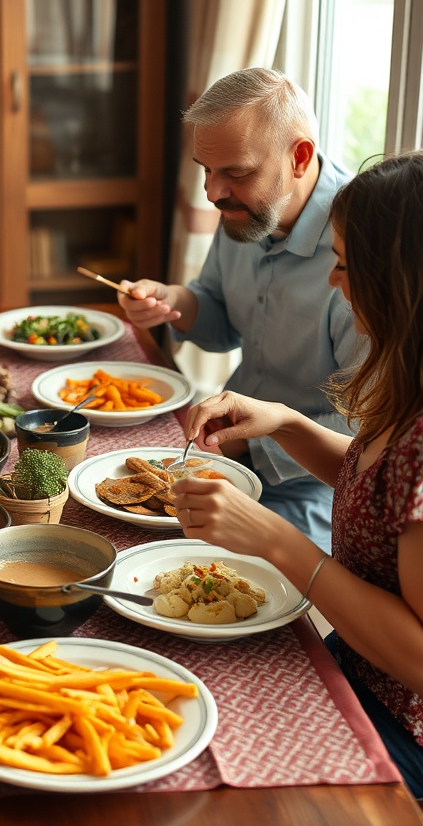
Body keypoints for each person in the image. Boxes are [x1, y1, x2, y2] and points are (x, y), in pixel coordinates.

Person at [171, 151, 423, 798]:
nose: (333, 282)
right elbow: (379, 493)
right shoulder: (407, 384)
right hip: (355, 668)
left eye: (344, 264)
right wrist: (286, 422)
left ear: (400, 283)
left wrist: (276, 541)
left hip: (401, 735)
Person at [116, 68, 358, 550]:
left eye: (236, 172)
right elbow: (220, 318)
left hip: (313, 489)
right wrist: (174, 303)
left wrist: (251, 441)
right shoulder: (248, 211)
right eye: (206, 169)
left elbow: (369, 433)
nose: (212, 192)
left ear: (299, 157)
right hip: (223, 454)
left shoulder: (360, 247)